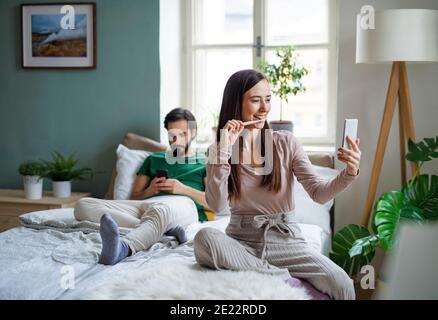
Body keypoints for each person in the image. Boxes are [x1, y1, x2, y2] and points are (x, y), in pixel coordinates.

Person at [193, 69, 361, 300]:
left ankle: (265, 272)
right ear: (235, 104)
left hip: (287, 241)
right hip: (241, 242)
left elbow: (319, 194)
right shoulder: (219, 150)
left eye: (268, 99)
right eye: (255, 100)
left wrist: (349, 173)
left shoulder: (286, 143)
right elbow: (217, 204)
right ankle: (277, 276)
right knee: (204, 239)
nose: (265, 108)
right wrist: (223, 149)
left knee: (341, 283)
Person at [74, 108, 211, 265]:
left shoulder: (203, 162)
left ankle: (124, 247)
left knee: (161, 210)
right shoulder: (154, 159)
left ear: (193, 133)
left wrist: (183, 189)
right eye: (172, 135)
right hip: (146, 205)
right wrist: (150, 190)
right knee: (82, 205)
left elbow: (213, 204)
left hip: (182, 205)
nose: (177, 140)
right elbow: (134, 197)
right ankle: (163, 230)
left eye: (183, 134)